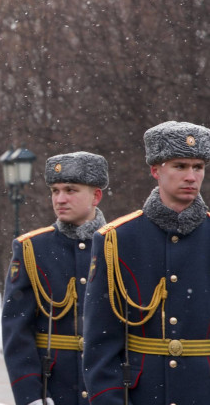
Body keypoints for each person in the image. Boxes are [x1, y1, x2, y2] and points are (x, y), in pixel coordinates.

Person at [83, 121, 210, 404]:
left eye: (198, 167)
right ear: (155, 170)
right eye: (180, 166)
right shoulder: (116, 239)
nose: (191, 176)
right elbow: (101, 341)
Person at [2, 152, 109, 405]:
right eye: (55, 191)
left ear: (96, 196)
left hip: (109, 390)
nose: (60, 199)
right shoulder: (32, 249)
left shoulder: (119, 245)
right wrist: (31, 396)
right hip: (55, 389)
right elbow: (17, 332)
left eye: (71, 190)